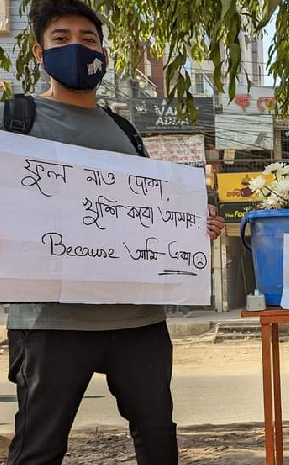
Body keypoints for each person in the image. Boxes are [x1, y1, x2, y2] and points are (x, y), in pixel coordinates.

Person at [1, 1, 225, 464]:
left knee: (158, 439)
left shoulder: (125, 131)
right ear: (39, 53)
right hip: (51, 323)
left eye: (88, 39)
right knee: (39, 448)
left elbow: (146, 214)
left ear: (103, 53)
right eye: (61, 38)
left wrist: (193, 227)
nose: (77, 48)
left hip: (139, 321)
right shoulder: (15, 121)